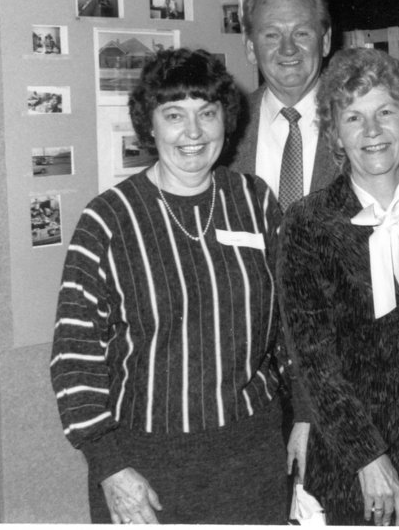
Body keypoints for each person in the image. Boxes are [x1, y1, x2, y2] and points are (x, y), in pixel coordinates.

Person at [50, 48, 291, 524]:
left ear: (227, 119)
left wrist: (302, 414)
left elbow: (291, 323)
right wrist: (109, 465)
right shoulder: (109, 219)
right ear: (151, 126)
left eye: (208, 113)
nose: (194, 132)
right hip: (145, 465)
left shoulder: (255, 202)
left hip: (253, 456)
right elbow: (73, 356)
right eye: (175, 115)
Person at [278, 47, 399, 525]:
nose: (372, 131)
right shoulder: (308, 223)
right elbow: (315, 360)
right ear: (336, 134)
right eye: (353, 117)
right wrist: (368, 457)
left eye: (385, 111)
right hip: (353, 470)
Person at [229, 0, 340, 209]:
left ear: (326, 41)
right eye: (272, 35)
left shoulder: (360, 121)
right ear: (250, 48)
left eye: (301, 33)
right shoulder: (225, 128)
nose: (288, 49)